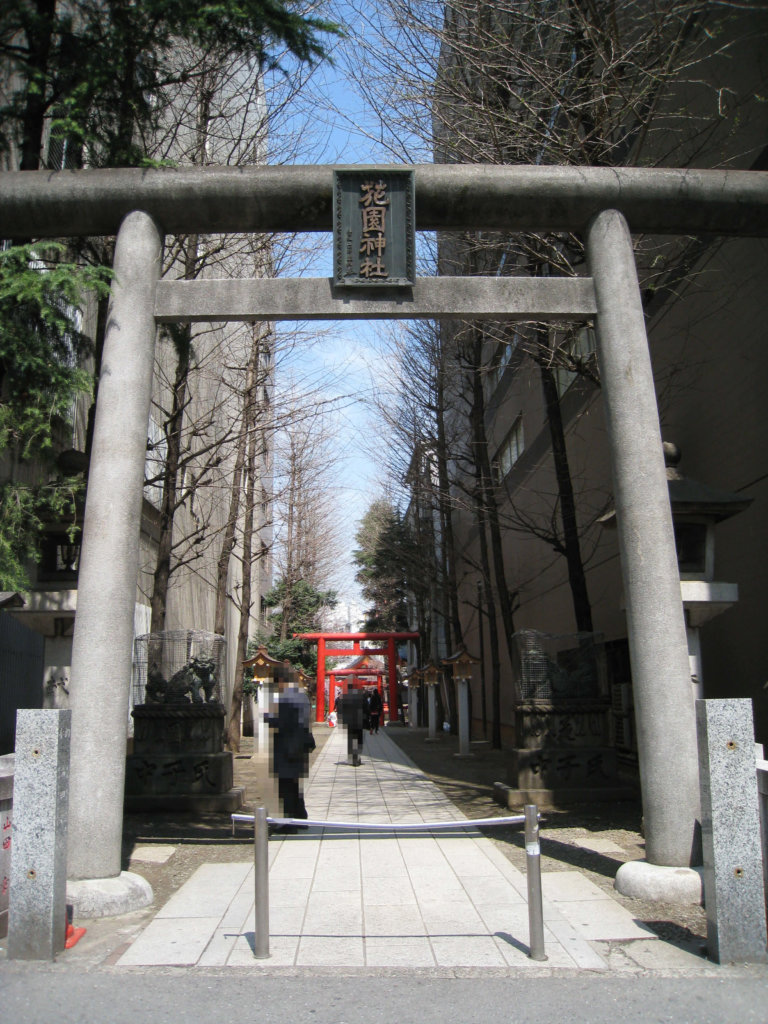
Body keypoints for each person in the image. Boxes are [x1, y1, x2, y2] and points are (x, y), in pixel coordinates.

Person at [266, 674, 315, 833]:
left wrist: (269, 718)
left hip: (288, 747)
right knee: (294, 785)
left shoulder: (286, 699)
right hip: (299, 745)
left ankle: (289, 824)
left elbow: (283, 723)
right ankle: (301, 818)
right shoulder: (302, 697)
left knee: (286, 786)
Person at [337, 686, 365, 766]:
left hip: (349, 722)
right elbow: (366, 708)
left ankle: (352, 758)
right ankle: (357, 758)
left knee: (351, 740)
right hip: (359, 721)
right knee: (359, 740)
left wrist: (341, 720)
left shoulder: (343, 698)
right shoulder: (361, 698)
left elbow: (340, 709)